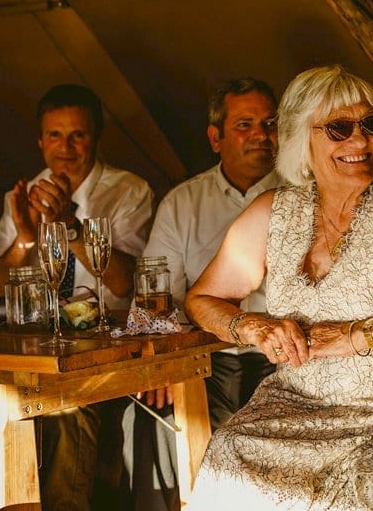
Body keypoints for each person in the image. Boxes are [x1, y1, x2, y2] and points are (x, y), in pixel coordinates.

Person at [183, 65, 373, 509]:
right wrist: (252, 326)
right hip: (290, 404)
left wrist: (355, 336)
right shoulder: (274, 210)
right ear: (299, 139)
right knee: (228, 455)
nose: (360, 142)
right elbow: (202, 299)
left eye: (372, 124)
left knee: (354, 491)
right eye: (339, 129)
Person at [0, 83, 154, 509]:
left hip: (102, 347)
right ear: (41, 141)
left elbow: (124, 283)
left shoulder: (129, 190)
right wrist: (25, 239)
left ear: (96, 137)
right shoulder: (25, 193)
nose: (65, 147)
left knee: (67, 412)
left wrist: (69, 224)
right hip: (35, 348)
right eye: (55, 135)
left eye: (77, 135)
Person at [125, 77, 280, 509]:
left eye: (270, 124)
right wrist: (166, 365)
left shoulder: (304, 194)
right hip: (204, 359)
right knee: (153, 415)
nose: (261, 135)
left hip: (281, 360)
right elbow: (154, 298)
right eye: (244, 125)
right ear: (216, 138)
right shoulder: (183, 204)